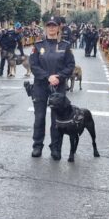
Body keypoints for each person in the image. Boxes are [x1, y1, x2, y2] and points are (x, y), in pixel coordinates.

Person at [29, 16, 75, 159]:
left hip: (58, 87)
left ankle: (55, 148)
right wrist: (47, 77)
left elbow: (70, 66)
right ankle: (37, 146)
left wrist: (59, 77)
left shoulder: (65, 45)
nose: (52, 28)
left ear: (58, 27)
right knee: (39, 117)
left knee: (56, 120)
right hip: (40, 85)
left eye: (54, 25)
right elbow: (33, 65)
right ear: (46, 27)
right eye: (49, 25)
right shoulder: (38, 45)